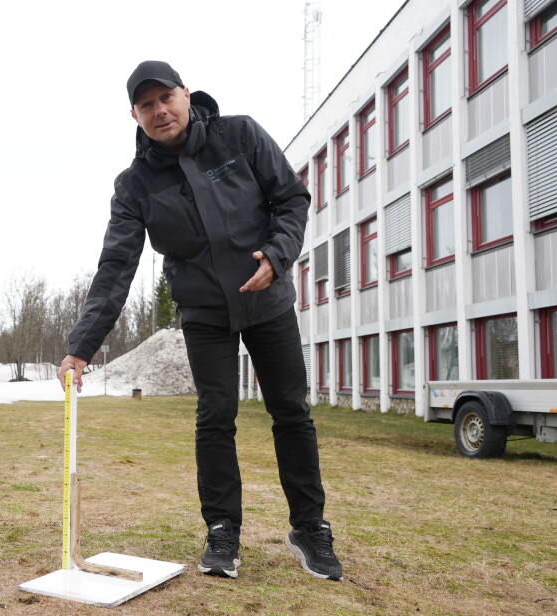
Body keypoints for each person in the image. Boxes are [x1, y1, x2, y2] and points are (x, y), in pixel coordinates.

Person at [57, 60, 342, 581]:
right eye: (147, 105)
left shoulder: (240, 135)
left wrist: (277, 256)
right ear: (135, 116)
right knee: (216, 416)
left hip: (268, 301)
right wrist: (81, 345)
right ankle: (221, 531)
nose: (159, 111)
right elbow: (115, 267)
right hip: (205, 313)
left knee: (291, 413)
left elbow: (291, 199)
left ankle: (309, 527)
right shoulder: (135, 184)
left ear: (187, 95)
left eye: (166, 97)